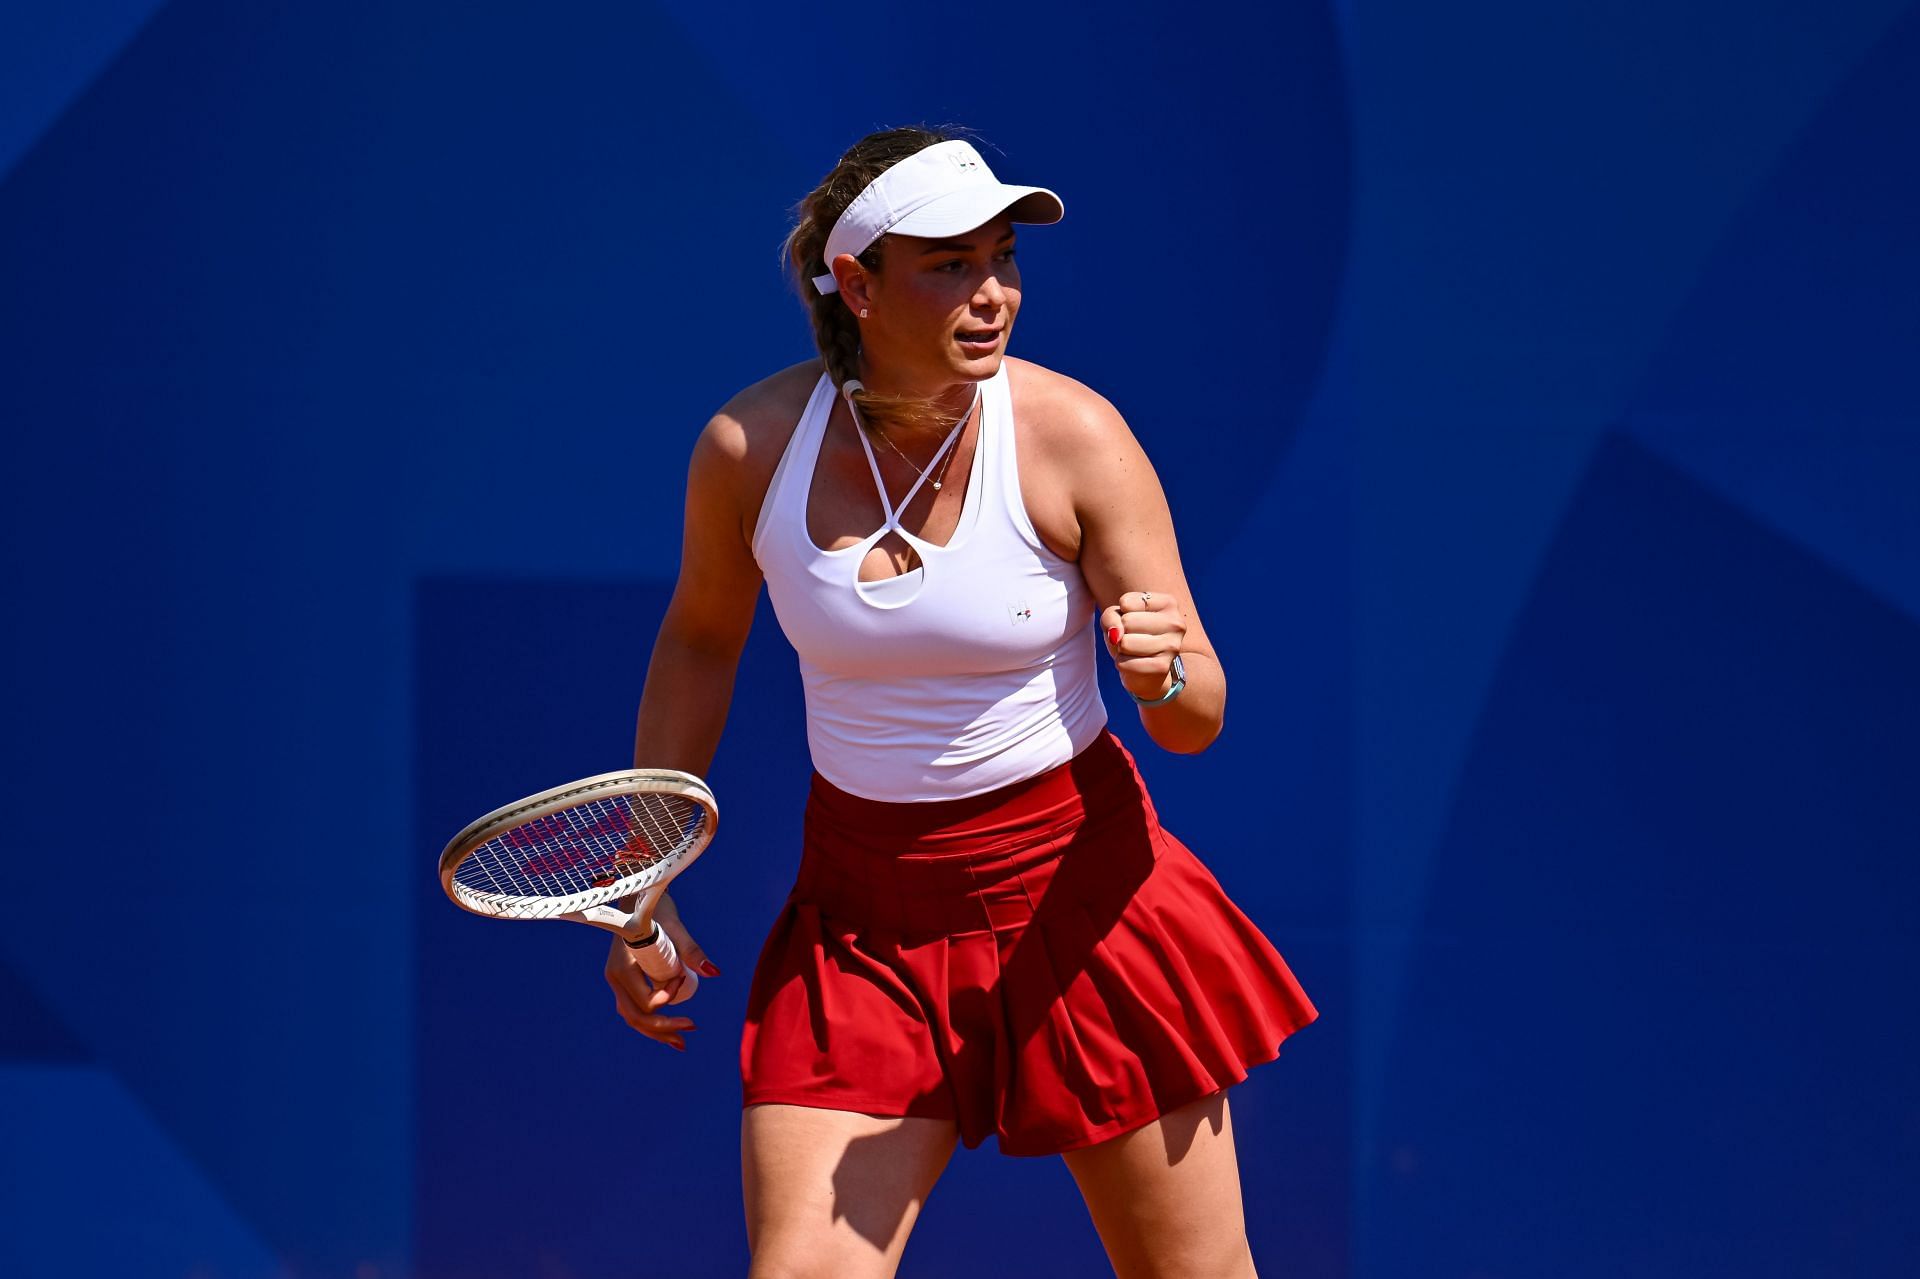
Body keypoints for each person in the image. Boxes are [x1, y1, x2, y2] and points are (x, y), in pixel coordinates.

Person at [604, 126, 1318, 1278]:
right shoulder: (751, 446)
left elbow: (1198, 715)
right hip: (861, 921)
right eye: (949, 265)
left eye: (1003, 260)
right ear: (857, 284)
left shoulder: (1073, 436)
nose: (992, 294)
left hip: (1080, 893)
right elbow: (697, 641)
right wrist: (647, 872)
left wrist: (1162, 673)